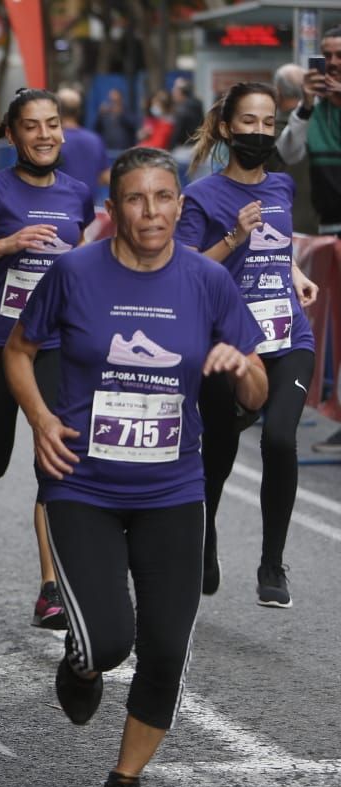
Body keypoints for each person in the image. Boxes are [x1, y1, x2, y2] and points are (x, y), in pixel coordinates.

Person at [4, 147, 267, 787]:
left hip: (174, 490)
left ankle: (124, 783)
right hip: (82, 484)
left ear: (180, 205)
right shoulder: (74, 272)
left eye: (163, 197)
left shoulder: (208, 281)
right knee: (109, 643)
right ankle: (83, 664)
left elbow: (259, 385)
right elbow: (18, 350)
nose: (151, 212)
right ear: (115, 208)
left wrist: (242, 368)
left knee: (167, 647)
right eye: (136, 199)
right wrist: (39, 420)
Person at [0, 88, 95, 630]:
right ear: (11, 135)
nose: (44, 135)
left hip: (56, 348)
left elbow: (89, 263)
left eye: (52, 124)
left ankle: (51, 589)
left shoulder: (79, 194)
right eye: (31, 126)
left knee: (52, 461)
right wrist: (7, 246)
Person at [178, 82, 319, 608]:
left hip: (287, 335)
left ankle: (271, 564)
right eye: (250, 123)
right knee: (217, 449)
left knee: (280, 439)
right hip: (230, 343)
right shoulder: (202, 197)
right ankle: (205, 538)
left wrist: (295, 270)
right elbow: (188, 273)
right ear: (225, 128)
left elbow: (277, 244)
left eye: (268, 124)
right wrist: (233, 237)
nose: (260, 132)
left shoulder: (282, 186)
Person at [279, 26, 341, 235]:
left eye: (340, 55)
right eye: (327, 56)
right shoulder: (311, 109)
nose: (333, 62)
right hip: (324, 229)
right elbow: (287, 153)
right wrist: (305, 104)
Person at [271, 64, 319, 235]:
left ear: (278, 91)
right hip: (319, 221)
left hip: (283, 222)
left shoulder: (268, 130)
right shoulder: (322, 124)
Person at [56, 88, 109, 197]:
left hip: (59, 205)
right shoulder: (95, 139)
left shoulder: (53, 140)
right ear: (79, 111)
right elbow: (106, 176)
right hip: (88, 207)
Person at [94, 88, 137, 153]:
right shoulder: (105, 114)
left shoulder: (127, 112)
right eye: (111, 100)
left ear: (121, 99)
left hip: (124, 150)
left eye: (116, 101)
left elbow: (133, 125)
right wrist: (100, 115)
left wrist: (121, 114)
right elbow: (97, 129)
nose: (113, 103)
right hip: (108, 150)